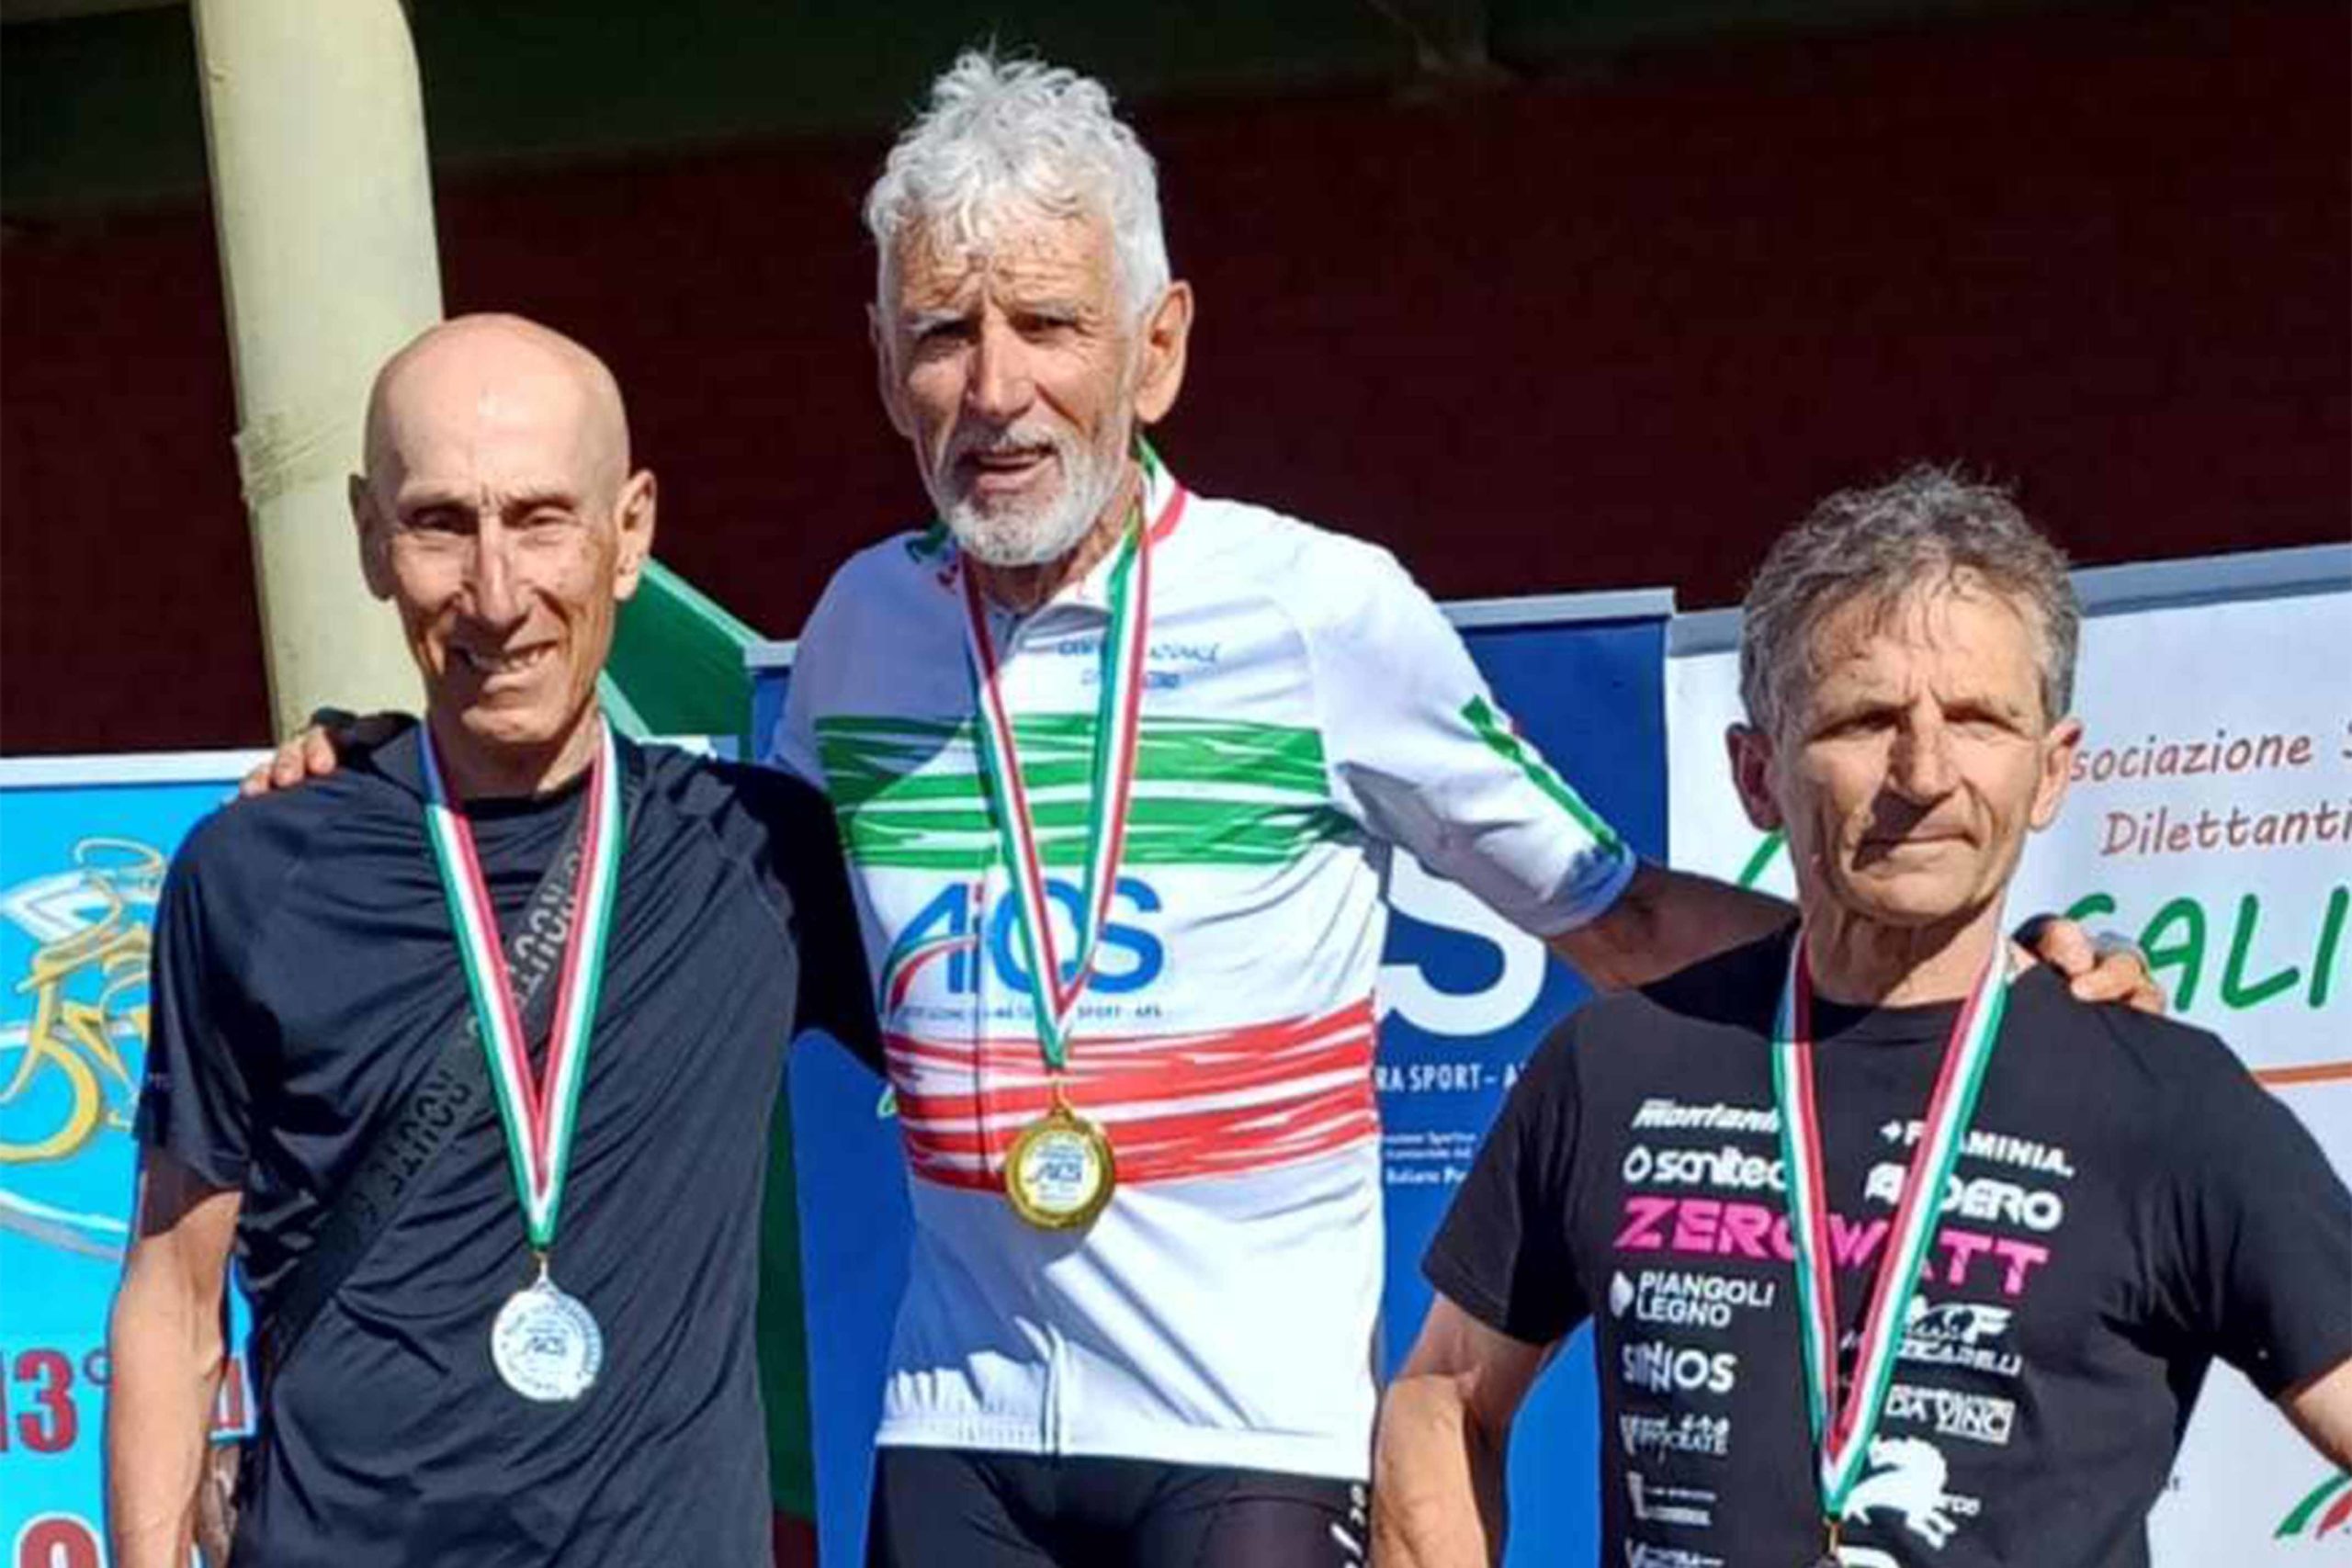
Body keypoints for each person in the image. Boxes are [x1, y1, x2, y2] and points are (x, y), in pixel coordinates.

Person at [774, 53, 2155, 1567]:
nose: (993, 389)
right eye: (943, 333)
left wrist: (1969, 990)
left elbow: (1623, 917)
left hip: (1247, 1433)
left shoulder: (1315, 609)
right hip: (954, 1414)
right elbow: (771, 945)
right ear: (884, 364)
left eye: (1048, 324)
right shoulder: (858, 631)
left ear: (1156, 349)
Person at [1372, 468, 2352, 1566]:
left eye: (1977, 719)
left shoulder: (2166, 1100)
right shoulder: (1615, 1066)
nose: (1923, 773)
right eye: (1866, 719)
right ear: (1756, 774)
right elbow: (1442, 1395)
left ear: (2050, 771)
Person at [107, 315, 876, 1567]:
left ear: (631, 531)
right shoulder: (254, 873)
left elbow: (1018, 1064)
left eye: (540, 518)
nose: (499, 591)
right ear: (370, 538)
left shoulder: (757, 857)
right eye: (440, 524)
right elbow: (173, 1294)